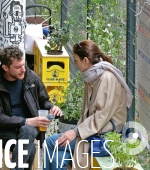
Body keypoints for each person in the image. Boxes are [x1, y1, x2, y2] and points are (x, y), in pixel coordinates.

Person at [44, 40, 131, 170]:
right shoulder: (92, 76)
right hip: (91, 131)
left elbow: (101, 116)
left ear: (85, 60)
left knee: (51, 143)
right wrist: (76, 131)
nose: (74, 64)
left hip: (103, 135)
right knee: (57, 158)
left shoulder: (107, 78)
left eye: (76, 60)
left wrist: (75, 132)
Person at [0, 45, 62, 170]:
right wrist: (26, 121)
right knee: (29, 148)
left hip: (28, 129)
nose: (23, 70)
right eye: (17, 67)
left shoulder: (31, 77)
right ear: (5, 67)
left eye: (23, 65)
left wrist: (52, 107)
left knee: (29, 130)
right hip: (4, 130)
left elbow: (44, 101)